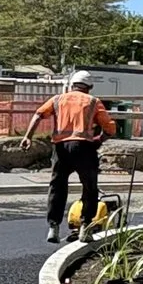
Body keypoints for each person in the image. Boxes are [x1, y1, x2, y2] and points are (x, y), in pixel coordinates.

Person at [24, 69, 118, 244]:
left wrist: (27, 137)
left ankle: (53, 227)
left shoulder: (58, 99)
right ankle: (85, 228)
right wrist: (99, 140)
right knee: (90, 187)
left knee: (57, 186)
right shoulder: (93, 102)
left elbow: (38, 114)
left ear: (71, 85)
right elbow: (110, 129)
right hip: (84, 147)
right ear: (89, 87)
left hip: (61, 148)